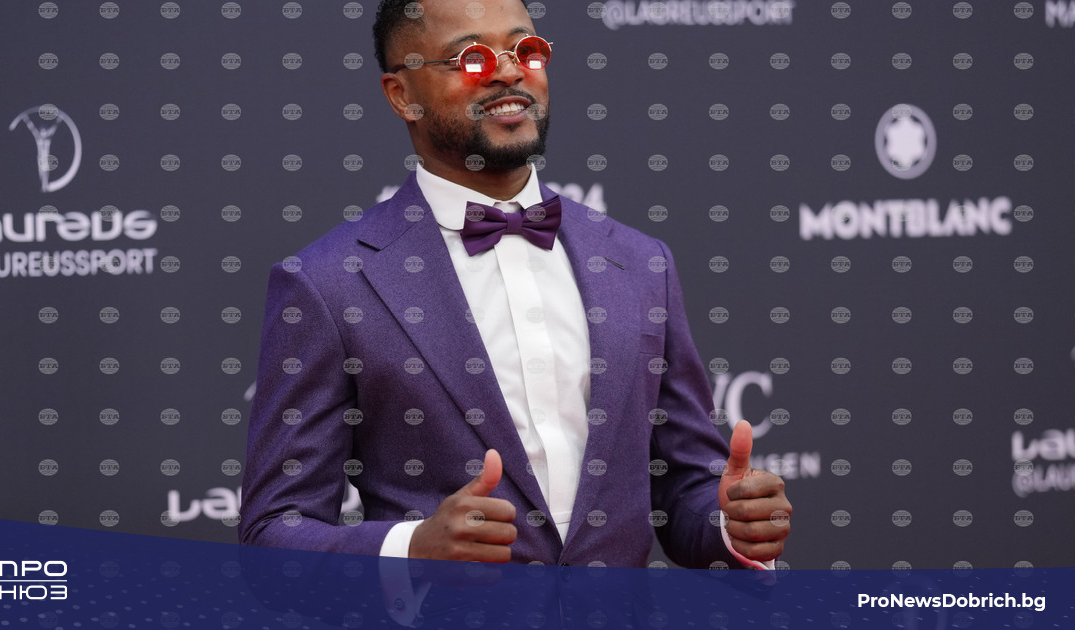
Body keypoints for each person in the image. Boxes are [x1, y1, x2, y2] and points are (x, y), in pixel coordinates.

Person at [240, 0, 791, 568]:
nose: (508, 71)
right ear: (402, 95)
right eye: (472, 58)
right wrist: (410, 549)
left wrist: (731, 526)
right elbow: (274, 531)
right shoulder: (330, 283)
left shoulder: (641, 263)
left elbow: (682, 486)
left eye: (525, 50)